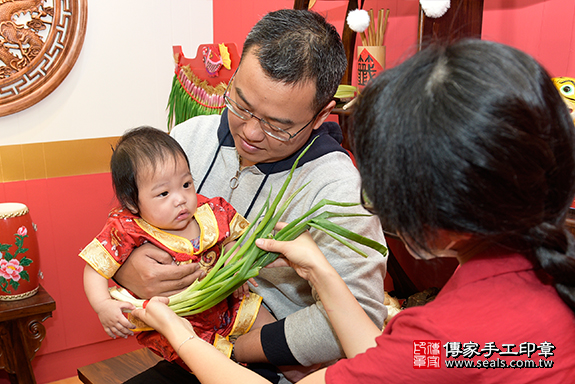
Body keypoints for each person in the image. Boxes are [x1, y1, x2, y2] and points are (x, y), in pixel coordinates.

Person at [132, 39, 575, 383]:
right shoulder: (518, 299)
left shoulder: (445, 337)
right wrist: (321, 271)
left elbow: (414, 358)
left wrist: (183, 335)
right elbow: (399, 361)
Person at [114, 9, 387, 383]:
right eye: (241, 104)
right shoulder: (188, 140)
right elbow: (127, 227)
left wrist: (230, 347)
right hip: (187, 356)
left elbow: (361, 316)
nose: (251, 133)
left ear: (322, 114)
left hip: (274, 368)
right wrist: (129, 270)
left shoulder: (337, 190)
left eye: (278, 126)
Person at [80, 126, 274, 368]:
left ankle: (294, 370)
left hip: (228, 304)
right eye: (163, 193)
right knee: (213, 365)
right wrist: (103, 305)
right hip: (181, 323)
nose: (180, 198)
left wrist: (235, 264)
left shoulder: (208, 212)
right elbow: (95, 268)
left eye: (186, 184)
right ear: (132, 202)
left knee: (269, 328)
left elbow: (228, 240)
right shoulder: (127, 228)